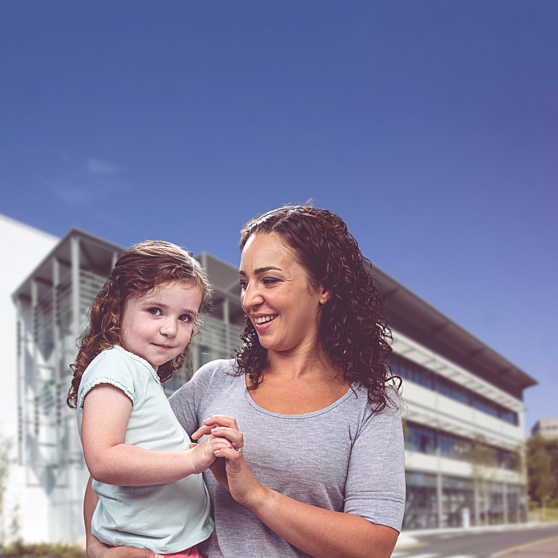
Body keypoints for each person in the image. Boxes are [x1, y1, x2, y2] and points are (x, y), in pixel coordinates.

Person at [86, 206, 406, 558]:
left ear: (324, 287)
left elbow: (374, 547)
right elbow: (117, 461)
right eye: (244, 283)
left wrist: (255, 494)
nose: (250, 299)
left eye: (269, 280)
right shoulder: (214, 381)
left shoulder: (370, 406)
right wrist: (98, 549)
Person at [68, 241, 233, 558]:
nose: (170, 328)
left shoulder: (137, 370)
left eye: (185, 317)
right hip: (151, 551)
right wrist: (192, 460)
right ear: (116, 312)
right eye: (155, 311)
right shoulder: (116, 366)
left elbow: (100, 481)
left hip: (165, 546)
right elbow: (103, 461)